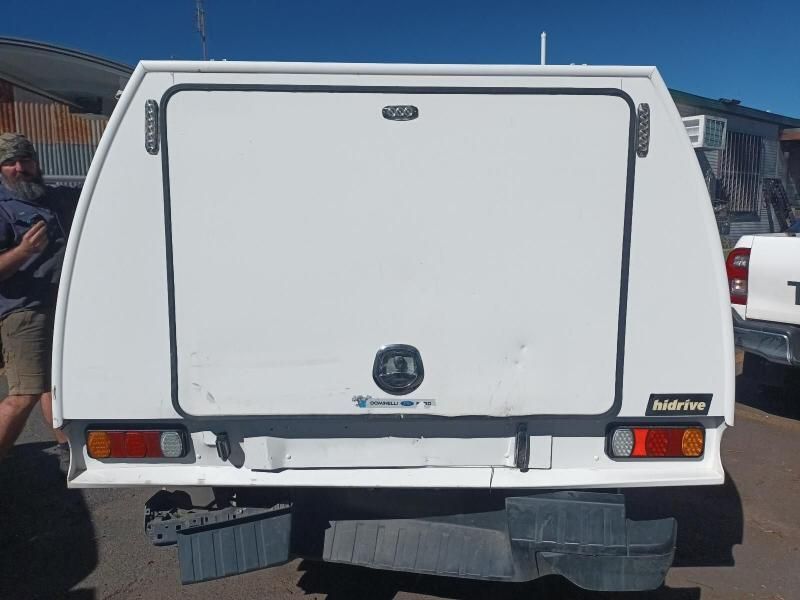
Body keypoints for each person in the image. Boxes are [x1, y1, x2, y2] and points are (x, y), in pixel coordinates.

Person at [0, 132, 80, 462]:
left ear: (35, 162)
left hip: (58, 309)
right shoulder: (3, 209)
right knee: (24, 394)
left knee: (53, 385)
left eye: (25, 160)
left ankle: (66, 449)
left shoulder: (53, 198)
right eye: (10, 162)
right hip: (24, 313)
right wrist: (23, 251)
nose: (20, 168)